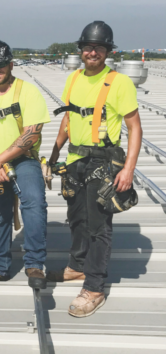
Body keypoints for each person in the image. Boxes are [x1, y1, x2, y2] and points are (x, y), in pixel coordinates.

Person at [47, 21, 142, 317]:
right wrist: (53, 153)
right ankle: (77, 267)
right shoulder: (73, 79)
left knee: (99, 226)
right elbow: (67, 120)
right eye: (88, 47)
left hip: (103, 162)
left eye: (99, 48)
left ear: (107, 51)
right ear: (81, 50)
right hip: (75, 160)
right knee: (75, 218)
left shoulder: (120, 83)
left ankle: (95, 286)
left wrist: (128, 170)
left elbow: (134, 128)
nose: (92, 52)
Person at [0, 40, 50, 288]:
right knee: (0, 215)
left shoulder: (27, 92)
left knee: (34, 203)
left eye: (2, 64)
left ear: (11, 64)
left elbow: (32, 135)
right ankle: (0, 267)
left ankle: (35, 264)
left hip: (23, 161)